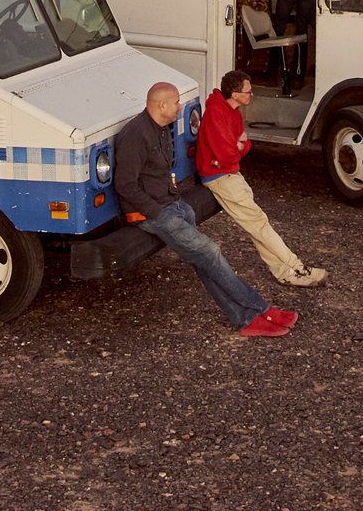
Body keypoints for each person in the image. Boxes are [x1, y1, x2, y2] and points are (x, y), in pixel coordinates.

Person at [115, 81, 295, 338]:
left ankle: (245, 320)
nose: (179, 107)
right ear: (161, 104)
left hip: (171, 206)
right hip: (152, 214)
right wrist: (157, 212)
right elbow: (125, 185)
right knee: (210, 251)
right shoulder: (136, 135)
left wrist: (175, 203)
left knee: (204, 261)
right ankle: (261, 309)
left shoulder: (161, 128)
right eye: (176, 102)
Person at [200, 70, 328, 289]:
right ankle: (295, 267)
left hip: (229, 172)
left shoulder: (233, 111)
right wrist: (237, 146)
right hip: (220, 177)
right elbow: (227, 153)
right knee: (259, 224)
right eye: (248, 92)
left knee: (258, 226)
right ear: (234, 93)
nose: (251, 96)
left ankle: (285, 271)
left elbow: (243, 145)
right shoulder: (216, 113)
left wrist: (238, 146)